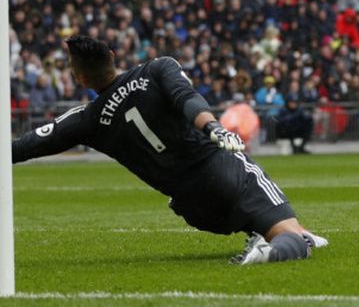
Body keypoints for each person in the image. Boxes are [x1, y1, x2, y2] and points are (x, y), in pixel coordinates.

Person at [12, 35, 328, 264]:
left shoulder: (88, 118)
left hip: (193, 206)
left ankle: (273, 233)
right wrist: (213, 127)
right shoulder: (157, 69)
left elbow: (27, 145)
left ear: (80, 78)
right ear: (112, 54)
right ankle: (274, 249)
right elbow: (186, 98)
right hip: (220, 168)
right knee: (294, 238)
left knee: (276, 224)